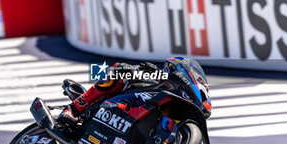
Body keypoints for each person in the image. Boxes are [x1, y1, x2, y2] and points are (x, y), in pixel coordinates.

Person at [59, 57, 211, 124]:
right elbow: (119, 70)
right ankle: (73, 109)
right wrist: (143, 70)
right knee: (120, 70)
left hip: (129, 119)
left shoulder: (172, 103)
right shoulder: (157, 76)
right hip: (113, 103)